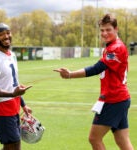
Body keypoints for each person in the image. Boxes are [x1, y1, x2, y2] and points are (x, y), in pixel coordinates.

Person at [54, 14, 134, 150]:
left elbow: (97, 68)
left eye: (108, 29)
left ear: (116, 29)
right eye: (102, 30)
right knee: (122, 141)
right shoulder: (112, 46)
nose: (104, 33)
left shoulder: (116, 48)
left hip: (113, 100)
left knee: (94, 138)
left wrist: (70, 75)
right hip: (120, 99)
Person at [0, 23, 32, 150]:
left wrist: (23, 104)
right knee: (13, 146)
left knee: (14, 145)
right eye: (1, 34)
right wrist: (12, 94)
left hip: (14, 106)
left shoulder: (11, 55)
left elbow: (14, 83)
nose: (6, 36)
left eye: (8, 33)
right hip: (1, 108)